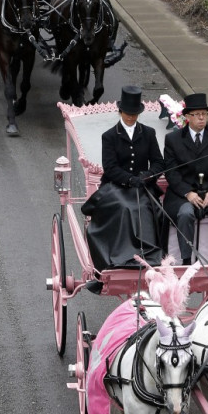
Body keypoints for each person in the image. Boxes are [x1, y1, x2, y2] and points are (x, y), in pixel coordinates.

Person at [81, 86, 164, 278]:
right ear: (120, 112)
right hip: (116, 187)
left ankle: (149, 255)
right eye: (127, 113)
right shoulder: (109, 136)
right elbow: (110, 167)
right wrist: (129, 179)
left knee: (146, 208)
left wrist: (147, 176)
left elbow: (159, 162)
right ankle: (121, 256)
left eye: (134, 114)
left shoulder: (149, 133)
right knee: (125, 207)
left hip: (142, 187)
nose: (130, 117)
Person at [162, 92, 208, 265]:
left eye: (204, 114)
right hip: (183, 195)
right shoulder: (173, 139)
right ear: (187, 117)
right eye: (197, 114)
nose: (202, 118)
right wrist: (188, 193)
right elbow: (171, 171)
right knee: (185, 214)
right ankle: (186, 259)